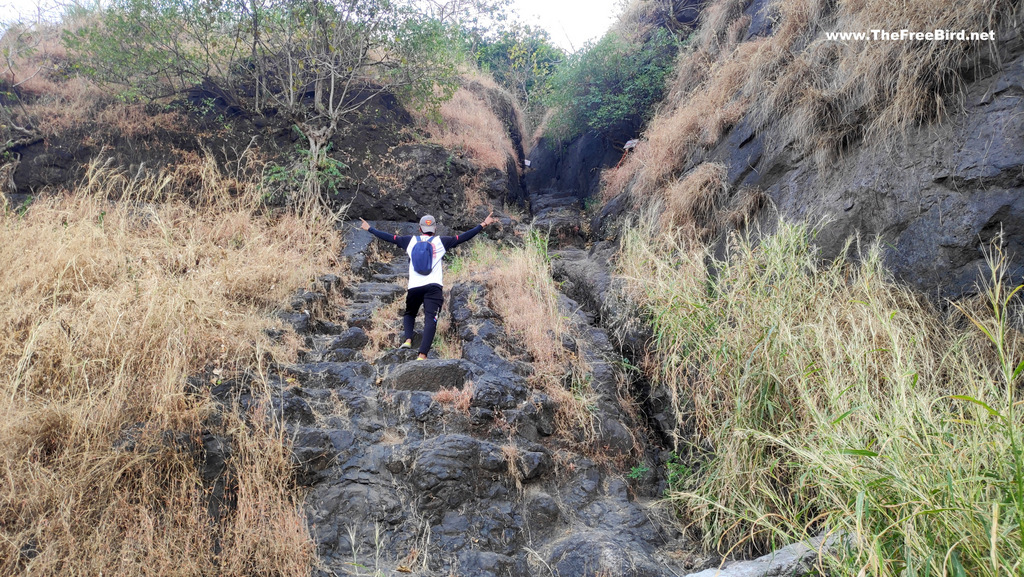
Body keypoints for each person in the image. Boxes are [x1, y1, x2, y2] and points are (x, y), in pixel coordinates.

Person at [360, 212, 498, 360]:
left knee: (410, 313)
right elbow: (464, 237)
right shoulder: (442, 241)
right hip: (433, 286)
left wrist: (370, 229)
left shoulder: (409, 240)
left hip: (414, 286)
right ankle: (422, 354)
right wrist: (483, 224)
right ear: (435, 229)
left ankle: (407, 340)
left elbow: (389, 237)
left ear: (420, 229)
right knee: (430, 319)